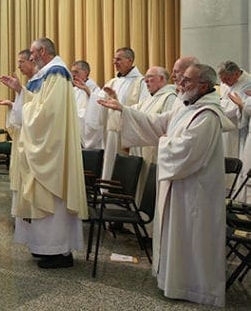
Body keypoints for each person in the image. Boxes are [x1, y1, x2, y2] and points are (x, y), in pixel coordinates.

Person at [98, 64, 232, 307]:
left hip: (195, 192)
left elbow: (187, 151)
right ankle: (173, 281)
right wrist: (124, 110)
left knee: (191, 237)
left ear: (203, 85)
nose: (180, 84)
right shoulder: (185, 104)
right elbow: (158, 123)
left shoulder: (208, 115)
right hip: (179, 186)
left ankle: (195, 288)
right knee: (177, 236)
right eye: (181, 80)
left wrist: (163, 144)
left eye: (186, 81)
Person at [0, 38, 87, 269]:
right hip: (44, 146)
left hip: (52, 150)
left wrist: (25, 103)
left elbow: (48, 113)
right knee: (40, 199)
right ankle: (44, 248)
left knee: (53, 200)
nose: (31, 58)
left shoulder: (57, 73)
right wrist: (20, 91)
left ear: (44, 52)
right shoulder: (45, 74)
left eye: (34, 53)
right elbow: (37, 104)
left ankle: (59, 251)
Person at [112, 66, 177, 203]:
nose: (146, 82)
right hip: (143, 150)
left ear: (162, 79)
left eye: (150, 78)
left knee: (153, 190)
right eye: (146, 78)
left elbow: (167, 125)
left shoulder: (169, 98)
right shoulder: (149, 99)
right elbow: (133, 113)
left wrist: (123, 108)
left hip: (156, 151)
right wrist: (119, 105)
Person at [87, 47, 149, 180]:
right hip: (112, 134)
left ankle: (125, 196)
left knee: (126, 173)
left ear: (130, 60)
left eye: (119, 59)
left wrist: (118, 103)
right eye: (114, 59)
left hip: (128, 133)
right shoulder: (113, 82)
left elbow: (143, 108)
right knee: (110, 166)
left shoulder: (141, 83)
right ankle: (108, 194)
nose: (115, 62)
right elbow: (98, 102)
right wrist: (89, 93)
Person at [0, 49, 37, 217]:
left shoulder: (41, 81)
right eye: (18, 62)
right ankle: (21, 212)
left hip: (33, 140)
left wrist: (20, 90)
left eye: (21, 62)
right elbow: (26, 110)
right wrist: (14, 102)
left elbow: (38, 109)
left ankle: (29, 213)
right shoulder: (30, 83)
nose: (18, 65)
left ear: (32, 61)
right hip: (23, 138)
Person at [217, 60, 251, 158]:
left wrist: (219, 105)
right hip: (224, 124)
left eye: (226, 79)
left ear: (236, 74)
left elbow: (239, 106)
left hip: (237, 127)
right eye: (222, 79)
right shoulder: (225, 82)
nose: (223, 82)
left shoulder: (248, 83)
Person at [71, 60, 101, 148]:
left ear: (86, 72)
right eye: (72, 72)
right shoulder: (73, 90)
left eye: (76, 72)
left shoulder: (96, 91)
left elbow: (95, 114)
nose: (73, 75)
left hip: (85, 136)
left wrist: (73, 116)